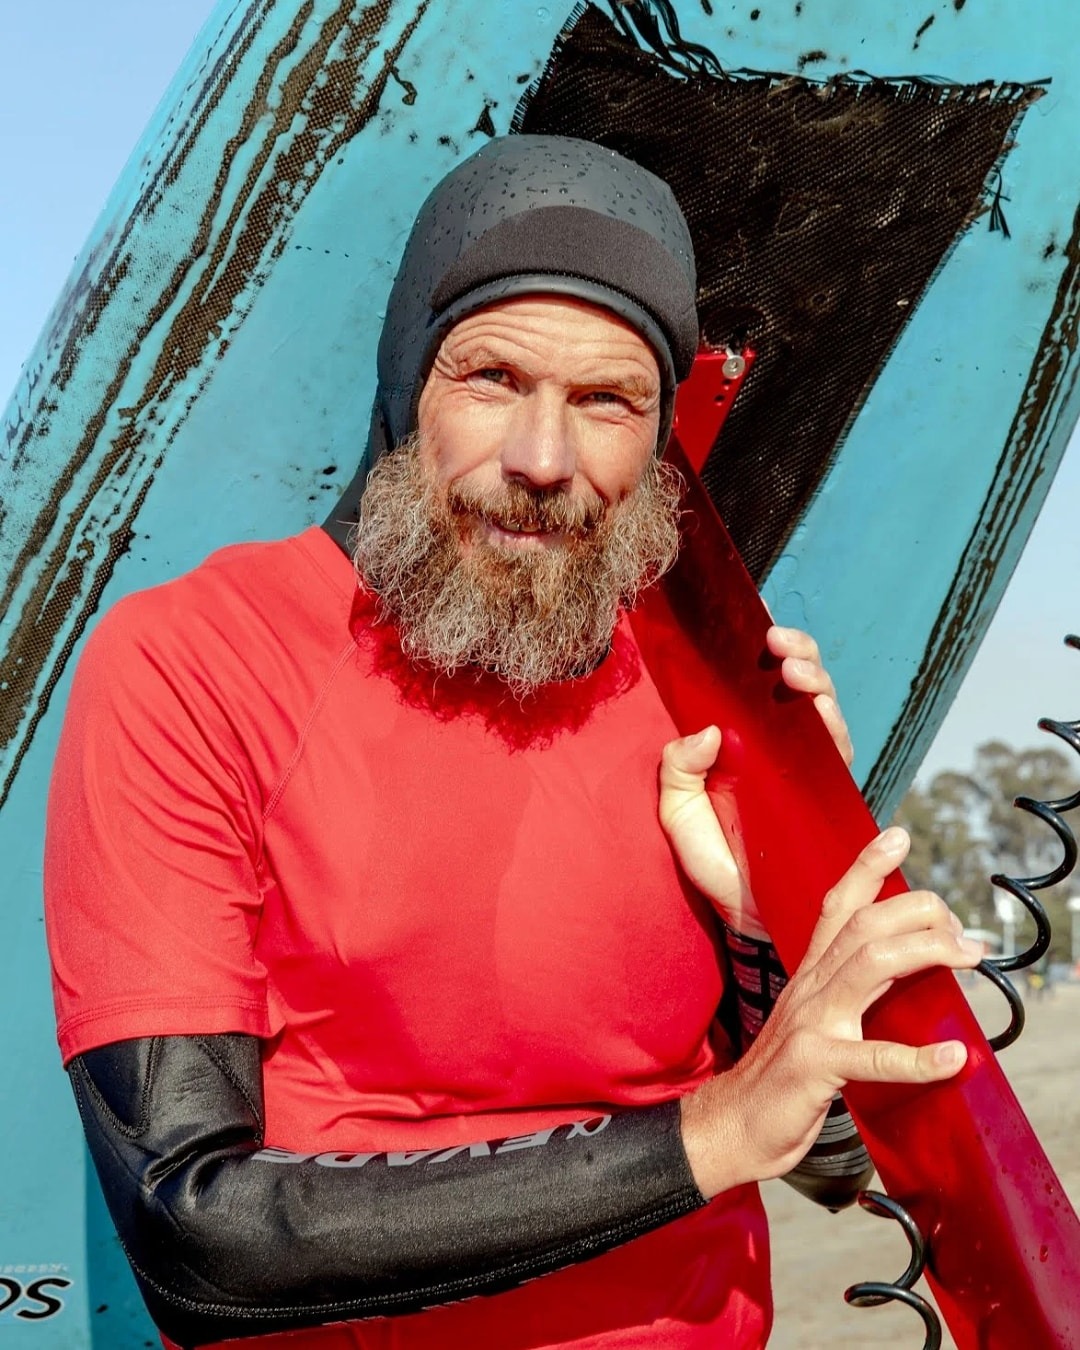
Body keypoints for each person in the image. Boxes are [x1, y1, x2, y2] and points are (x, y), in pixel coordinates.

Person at [44, 135, 982, 1350]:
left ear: (661, 437)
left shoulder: (702, 693)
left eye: (607, 401)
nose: (544, 461)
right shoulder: (198, 660)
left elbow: (830, 1160)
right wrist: (711, 1134)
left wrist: (769, 916)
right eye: (492, 377)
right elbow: (195, 1236)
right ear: (408, 386)